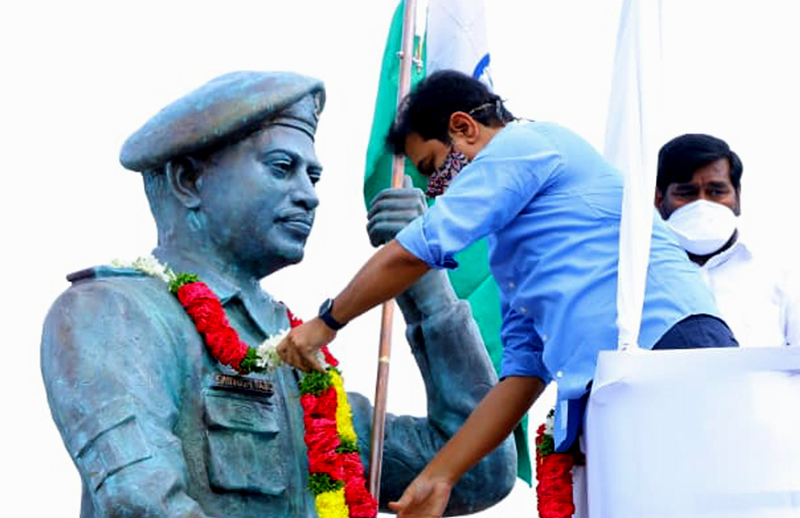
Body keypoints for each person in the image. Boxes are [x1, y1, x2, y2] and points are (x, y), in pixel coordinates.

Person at [40, 70, 516, 518]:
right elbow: (141, 500)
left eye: (313, 177)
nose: (309, 196)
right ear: (189, 180)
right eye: (282, 167)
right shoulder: (113, 312)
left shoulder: (299, 358)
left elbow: (481, 473)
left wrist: (421, 275)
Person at [277, 69, 739, 517]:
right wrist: (440, 475)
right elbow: (522, 375)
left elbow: (415, 251)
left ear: (464, 128)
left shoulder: (526, 146)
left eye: (433, 171)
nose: (435, 191)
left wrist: (326, 322)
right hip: (612, 384)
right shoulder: (511, 250)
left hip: (671, 347)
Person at [656, 133, 800, 348]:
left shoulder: (782, 271)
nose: (702, 204)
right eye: (686, 193)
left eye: (716, 191)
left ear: (737, 197)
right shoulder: (637, 278)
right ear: (659, 200)